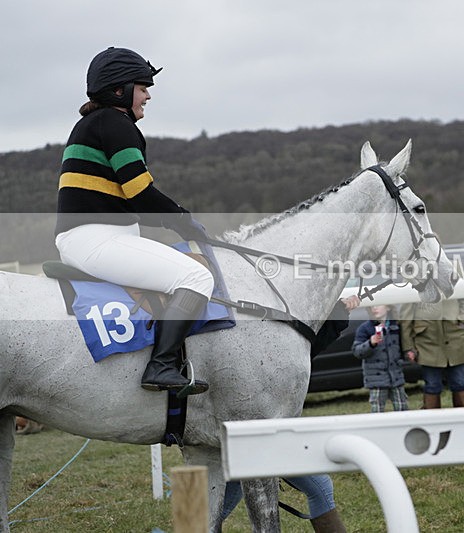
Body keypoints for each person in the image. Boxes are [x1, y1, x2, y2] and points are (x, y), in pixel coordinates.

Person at [55, 47, 212, 395]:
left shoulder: (96, 124)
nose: (148, 95)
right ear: (119, 91)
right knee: (196, 276)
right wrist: (184, 220)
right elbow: (141, 193)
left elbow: (132, 202)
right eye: (142, 87)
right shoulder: (115, 123)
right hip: (97, 239)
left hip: (94, 236)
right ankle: (162, 365)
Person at [221, 295, 360, 532]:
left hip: (254, 432)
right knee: (321, 488)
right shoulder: (263, 322)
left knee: (221, 502)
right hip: (263, 431)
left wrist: (338, 314)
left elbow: (308, 344)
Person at [399, 297, 464, 408]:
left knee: (459, 382)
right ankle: (431, 421)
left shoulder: (454, 278)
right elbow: (406, 316)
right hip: (427, 341)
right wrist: (409, 347)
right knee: (432, 385)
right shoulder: (412, 280)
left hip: (455, 338)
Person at [352, 305, 409, 412]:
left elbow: (403, 346)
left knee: (402, 407)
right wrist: (370, 343)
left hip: (396, 376)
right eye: (371, 306)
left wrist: (408, 354)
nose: (374, 308)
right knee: (377, 409)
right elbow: (357, 351)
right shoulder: (365, 328)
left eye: (378, 305)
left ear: (388, 307)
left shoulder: (396, 326)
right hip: (376, 379)